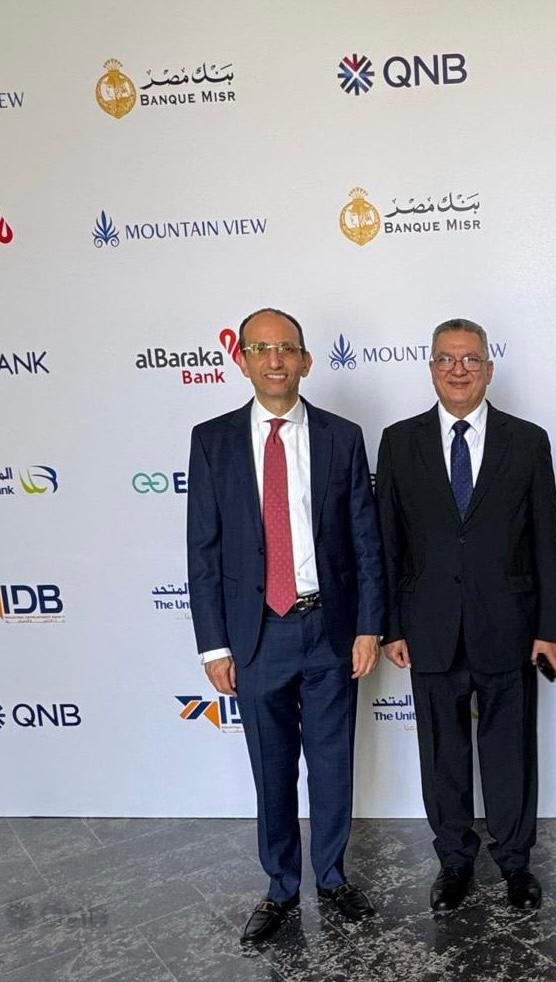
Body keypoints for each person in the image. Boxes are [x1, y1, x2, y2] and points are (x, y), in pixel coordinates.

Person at [187, 308, 384, 943]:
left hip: (329, 628)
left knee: (332, 764)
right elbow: (203, 550)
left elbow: (366, 541)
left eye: (287, 348)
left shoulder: (342, 436)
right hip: (256, 636)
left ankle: (332, 877)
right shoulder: (212, 440)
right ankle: (280, 887)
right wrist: (213, 646)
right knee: (271, 769)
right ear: (241, 360)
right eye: (261, 348)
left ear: (305, 360)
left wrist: (369, 627)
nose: (275, 360)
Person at [376, 317, 556, 912]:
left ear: (489, 368)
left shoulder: (527, 440)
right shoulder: (398, 441)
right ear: (431, 368)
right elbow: (387, 543)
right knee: (442, 754)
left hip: (509, 625)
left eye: (470, 359)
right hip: (428, 627)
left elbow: (546, 539)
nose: (458, 369)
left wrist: (549, 629)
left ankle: (515, 862)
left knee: (510, 752)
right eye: (446, 358)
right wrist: (391, 626)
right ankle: (454, 861)